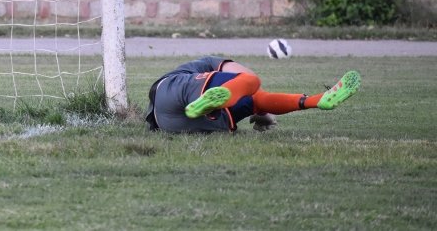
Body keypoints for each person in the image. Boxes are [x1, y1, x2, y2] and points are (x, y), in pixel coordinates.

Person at [144, 55, 361, 133]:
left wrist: (261, 109)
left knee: (255, 98)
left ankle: (316, 100)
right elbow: (246, 77)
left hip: (168, 123)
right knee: (252, 82)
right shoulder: (207, 62)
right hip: (170, 93)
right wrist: (260, 105)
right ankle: (314, 101)